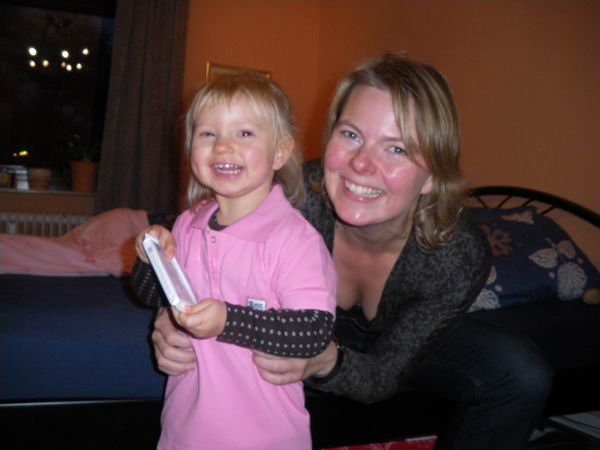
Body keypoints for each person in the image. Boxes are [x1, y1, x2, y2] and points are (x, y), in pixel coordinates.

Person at [134, 54, 553, 449]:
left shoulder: (457, 256)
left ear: (432, 176)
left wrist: (323, 362)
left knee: (519, 373)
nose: (361, 165)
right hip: (287, 320)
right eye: (351, 135)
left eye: (397, 148)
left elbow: (383, 375)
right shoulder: (294, 195)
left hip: (394, 339)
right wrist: (172, 317)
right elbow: (204, 253)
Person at [134, 73, 337, 449]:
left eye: (244, 133)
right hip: (183, 431)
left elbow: (314, 330)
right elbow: (152, 296)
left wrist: (229, 320)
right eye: (207, 133)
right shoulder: (187, 223)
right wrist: (151, 259)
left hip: (266, 437)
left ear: (280, 152)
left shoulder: (294, 239)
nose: (223, 146)